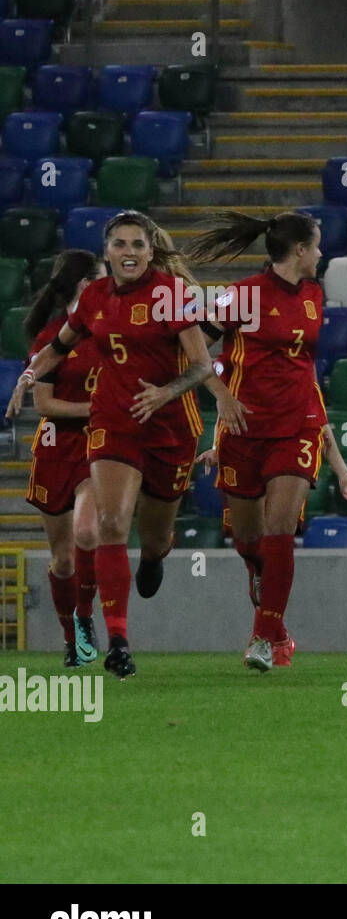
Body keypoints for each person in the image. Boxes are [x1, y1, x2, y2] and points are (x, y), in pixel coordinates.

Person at [8, 211, 241, 678]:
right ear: (107, 251)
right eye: (119, 243)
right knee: (110, 525)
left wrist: (165, 392)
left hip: (169, 427)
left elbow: (202, 366)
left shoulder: (168, 294)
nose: (129, 251)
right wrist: (31, 373)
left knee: (152, 539)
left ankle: (155, 557)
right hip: (114, 422)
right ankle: (118, 642)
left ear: (150, 251)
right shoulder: (93, 297)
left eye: (137, 243)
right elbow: (59, 345)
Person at [185, 210, 347, 671]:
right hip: (245, 428)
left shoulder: (313, 294)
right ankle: (274, 619)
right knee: (250, 541)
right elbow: (195, 345)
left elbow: (304, 371)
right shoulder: (244, 295)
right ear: (301, 250)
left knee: (280, 531)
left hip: (297, 427)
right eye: (318, 245)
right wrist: (221, 396)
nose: (323, 254)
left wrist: (331, 449)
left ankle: (263, 640)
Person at [22, 250, 104, 667]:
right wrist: (97, 407)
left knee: (87, 532)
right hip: (56, 448)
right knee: (63, 558)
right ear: (86, 285)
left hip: (97, 447)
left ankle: (87, 621)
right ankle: (72, 641)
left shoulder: (112, 334)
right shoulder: (51, 338)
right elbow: (45, 405)